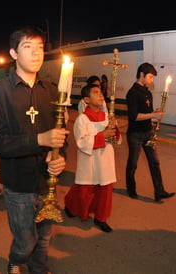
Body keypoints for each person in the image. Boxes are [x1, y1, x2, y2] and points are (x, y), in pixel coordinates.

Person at [0, 25, 69, 274]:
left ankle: (38, 270)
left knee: (43, 241)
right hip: (18, 185)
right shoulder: (0, 92)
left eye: (40, 47)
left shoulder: (53, 91)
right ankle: (14, 259)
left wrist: (60, 158)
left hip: (46, 182)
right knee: (26, 241)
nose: (36, 53)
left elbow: (61, 136)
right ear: (13, 53)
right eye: (28, 47)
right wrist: (40, 139)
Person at [64, 83, 121, 233]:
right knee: (85, 191)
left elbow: (115, 138)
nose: (101, 95)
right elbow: (81, 142)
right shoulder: (82, 119)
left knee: (105, 191)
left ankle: (101, 218)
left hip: (105, 159)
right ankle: (72, 207)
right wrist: (103, 136)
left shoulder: (107, 117)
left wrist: (115, 130)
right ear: (87, 99)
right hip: (89, 160)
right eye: (96, 92)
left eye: (101, 92)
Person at [125, 62, 176, 202]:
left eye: (153, 78)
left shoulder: (147, 92)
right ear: (142, 75)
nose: (151, 80)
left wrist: (155, 113)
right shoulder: (132, 93)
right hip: (135, 134)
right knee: (133, 164)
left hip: (148, 132)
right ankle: (131, 189)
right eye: (150, 77)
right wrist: (153, 116)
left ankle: (159, 191)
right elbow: (134, 116)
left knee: (154, 163)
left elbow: (146, 112)